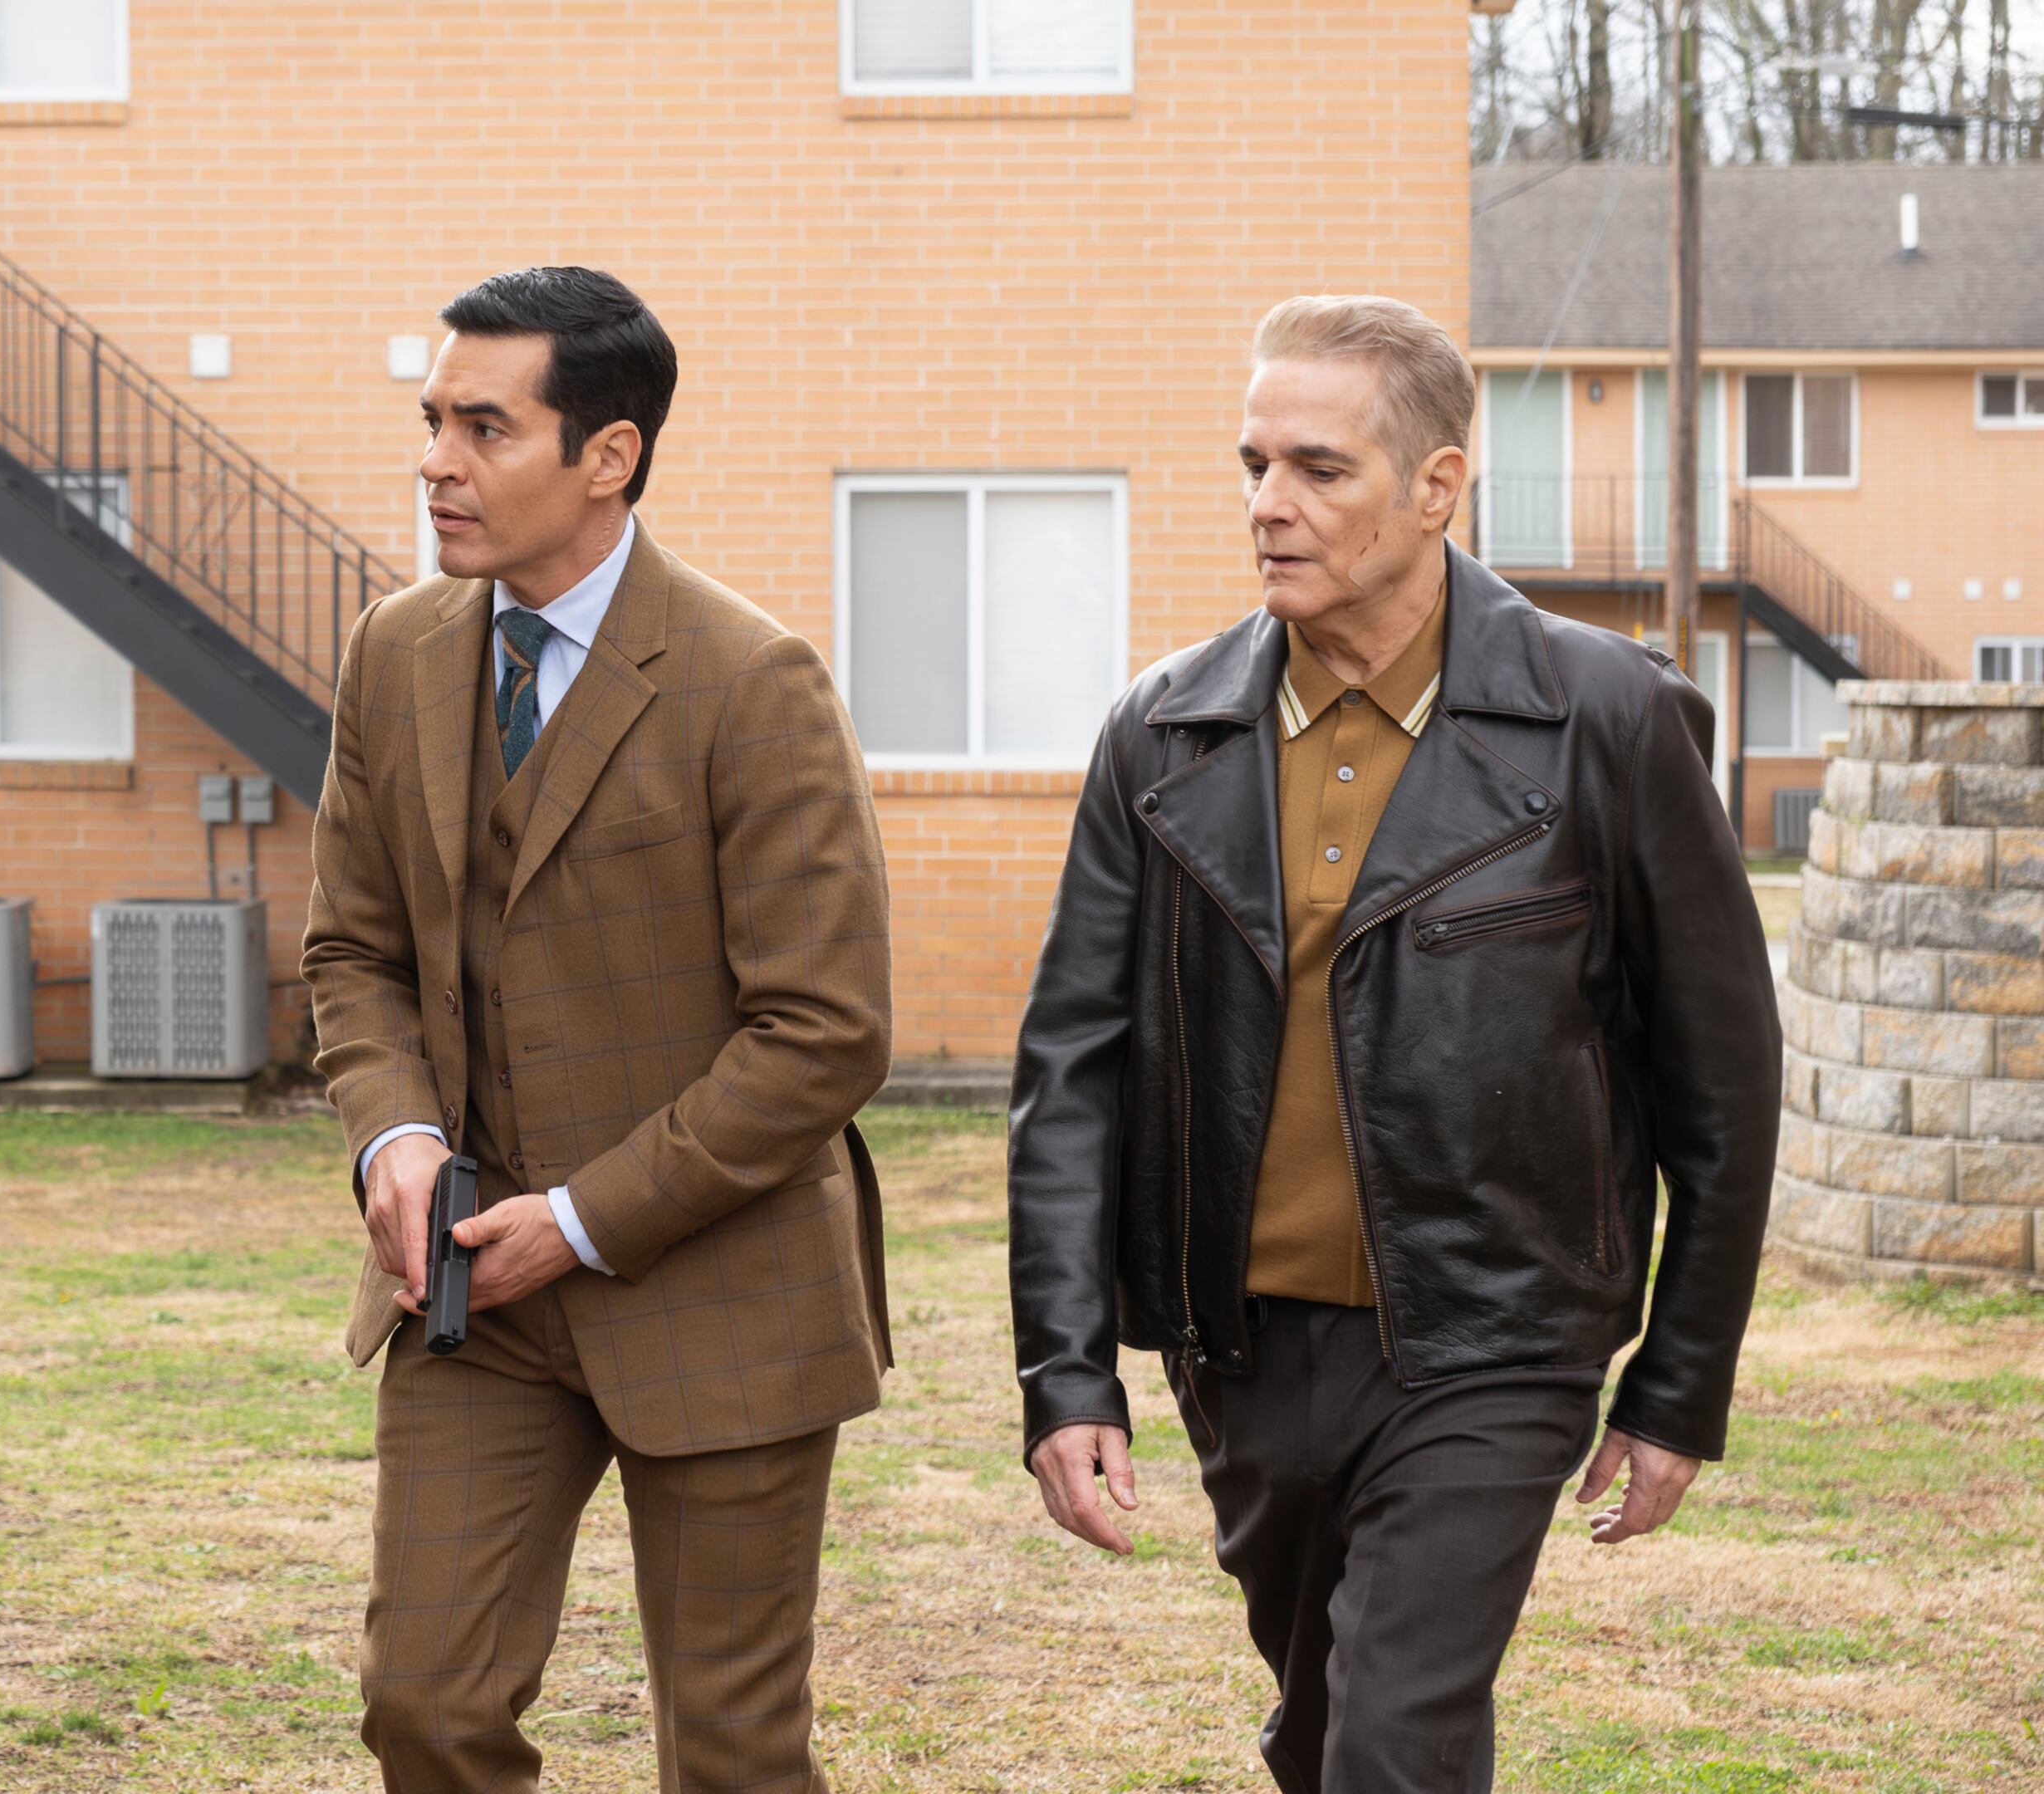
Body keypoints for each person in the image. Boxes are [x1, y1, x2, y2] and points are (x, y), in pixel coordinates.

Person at [1006, 295, 1781, 1791]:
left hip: (1496, 1339)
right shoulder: (1161, 737)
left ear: (1437, 486)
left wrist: (1679, 1383)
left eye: (1317, 468)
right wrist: (1068, 1371)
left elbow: (1723, 1090)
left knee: (1393, 1736)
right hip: (1241, 1350)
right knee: (1325, 1727)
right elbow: (1071, 1076)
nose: (1267, 506)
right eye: (1252, 465)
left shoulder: (1606, 721)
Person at [302, 267, 895, 1794]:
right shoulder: (398, 650)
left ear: (607, 455)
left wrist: (576, 1221)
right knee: (422, 1708)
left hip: (720, 1290)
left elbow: (822, 1034)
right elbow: (353, 949)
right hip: (468, 1303)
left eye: (484, 427)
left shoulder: (752, 682)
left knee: (734, 1758)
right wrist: (397, 1129)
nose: (436, 458)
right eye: (432, 420)